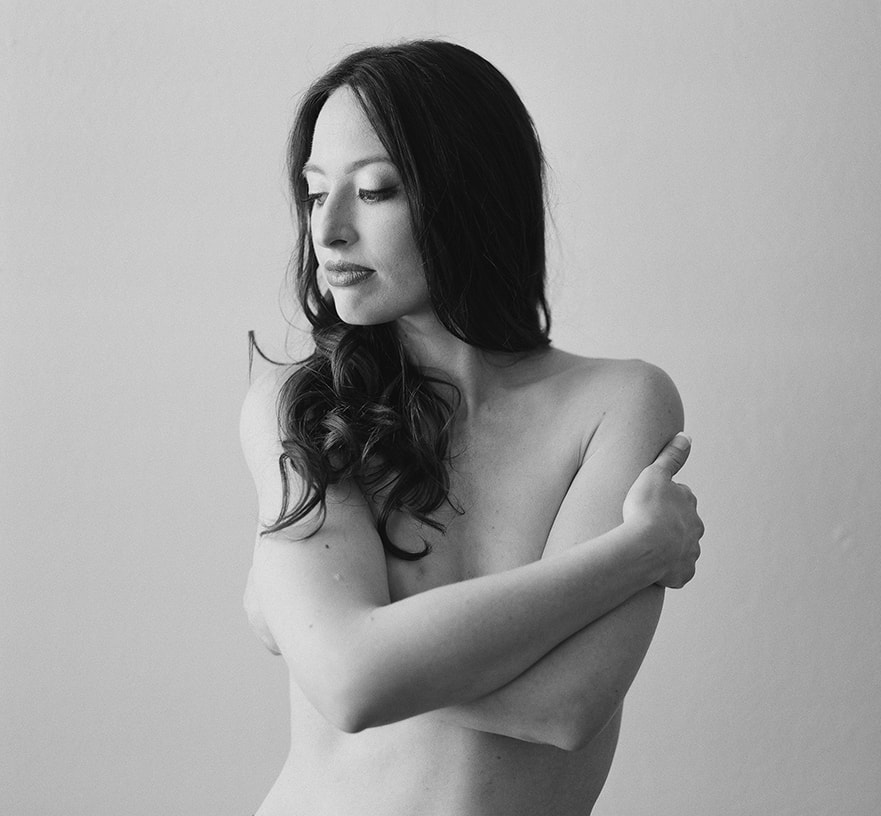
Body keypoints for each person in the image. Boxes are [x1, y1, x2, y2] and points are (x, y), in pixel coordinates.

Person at [240, 39, 704, 816]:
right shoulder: (302, 404)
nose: (330, 231)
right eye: (315, 193)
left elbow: (565, 708)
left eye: (376, 190)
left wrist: (364, 645)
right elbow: (351, 685)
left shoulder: (620, 402)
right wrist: (636, 554)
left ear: (469, 193)